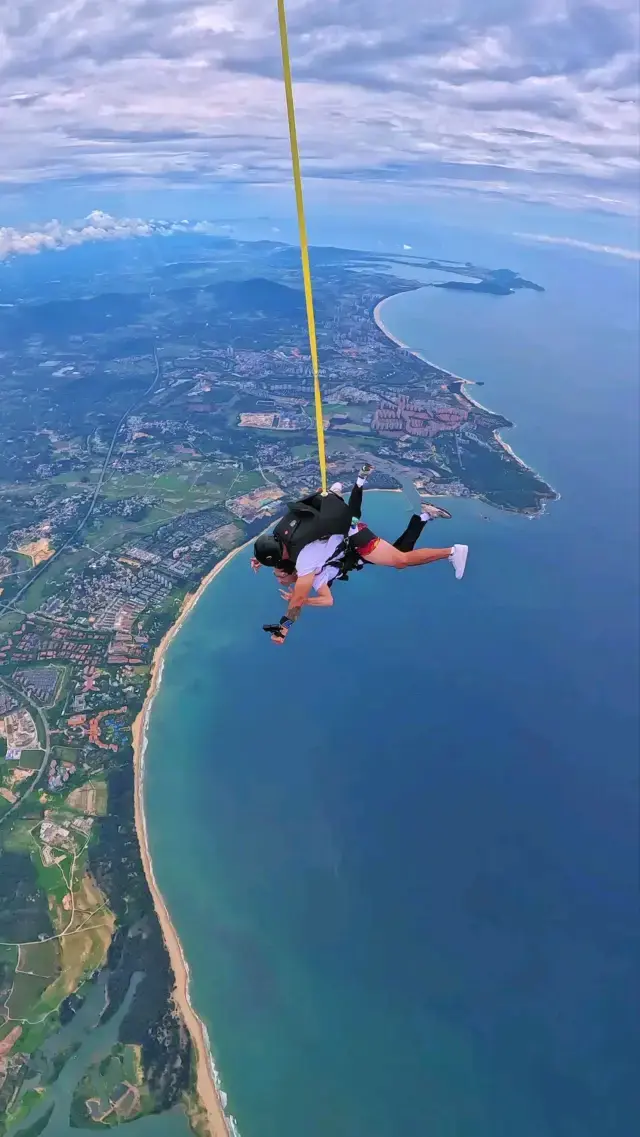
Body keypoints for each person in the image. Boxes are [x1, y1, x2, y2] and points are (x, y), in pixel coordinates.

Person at [256, 465, 469, 645]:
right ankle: (420, 517)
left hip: (357, 539)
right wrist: (259, 558)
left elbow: (299, 600)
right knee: (398, 552)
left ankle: (452, 551)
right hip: (348, 534)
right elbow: (278, 555)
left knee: (401, 560)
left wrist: (283, 629)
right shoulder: (283, 535)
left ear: (288, 567)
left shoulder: (305, 563)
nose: (280, 580)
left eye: (280, 576)